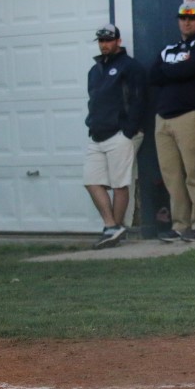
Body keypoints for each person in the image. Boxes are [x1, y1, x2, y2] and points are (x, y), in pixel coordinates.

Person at [149, 3, 195, 242]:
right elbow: (153, 75)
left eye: (192, 18)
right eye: (183, 18)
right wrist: (177, 70)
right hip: (163, 119)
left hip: (190, 116)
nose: (187, 22)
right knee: (172, 176)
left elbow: (190, 68)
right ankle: (180, 225)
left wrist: (172, 71)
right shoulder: (169, 49)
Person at [84, 24, 147, 249]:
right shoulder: (94, 70)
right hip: (97, 133)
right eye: (101, 41)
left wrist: (129, 130)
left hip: (120, 133)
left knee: (120, 184)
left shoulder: (130, 66)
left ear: (118, 41)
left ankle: (114, 229)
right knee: (91, 181)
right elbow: (93, 100)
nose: (104, 45)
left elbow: (139, 99)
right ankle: (111, 226)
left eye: (109, 40)